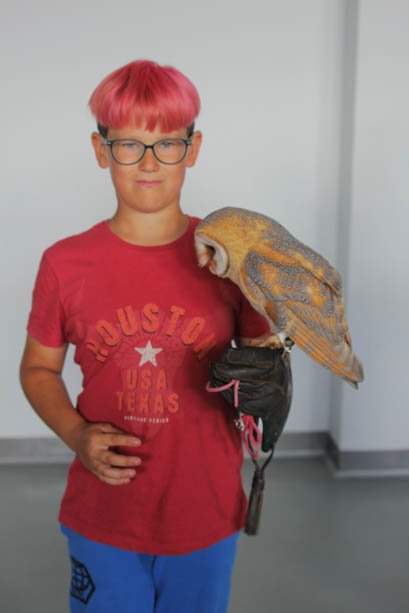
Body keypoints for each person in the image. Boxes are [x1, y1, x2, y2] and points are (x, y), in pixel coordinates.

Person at [19, 59, 272, 612]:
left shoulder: (230, 260)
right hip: (104, 512)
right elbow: (38, 368)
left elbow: (263, 362)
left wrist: (273, 352)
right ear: (101, 149)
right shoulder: (65, 263)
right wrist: (76, 435)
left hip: (204, 509)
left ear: (193, 148)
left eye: (168, 144)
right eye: (130, 144)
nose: (150, 162)